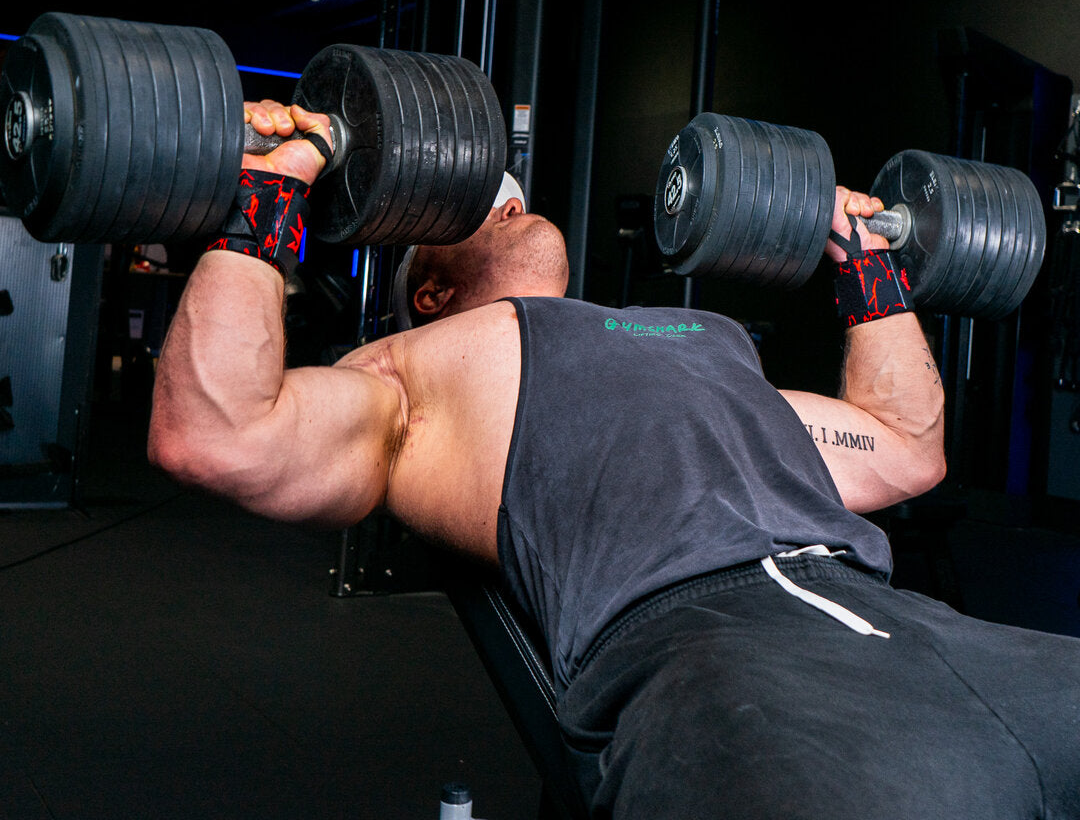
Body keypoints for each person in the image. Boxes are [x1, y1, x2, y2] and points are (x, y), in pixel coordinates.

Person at [149, 100, 1080, 819]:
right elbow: (220, 431)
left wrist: (867, 268)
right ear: (429, 291)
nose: (506, 192)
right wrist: (272, 196)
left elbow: (906, 447)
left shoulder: (686, 335)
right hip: (720, 665)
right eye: (475, 207)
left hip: (911, 622)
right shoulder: (411, 377)